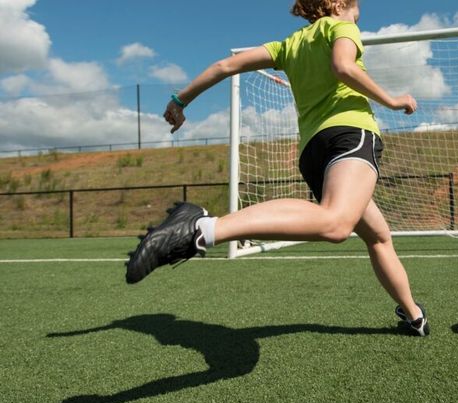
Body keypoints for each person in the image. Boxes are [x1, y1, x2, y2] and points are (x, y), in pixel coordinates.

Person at [125, 0, 429, 336]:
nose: (360, 11)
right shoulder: (342, 26)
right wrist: (393, 100)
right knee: (337, 224)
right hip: (350, 137)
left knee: (378, 237)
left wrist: (180, 100)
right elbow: (343, 66)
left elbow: (226, 65)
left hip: (314, 152)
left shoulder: (289, 45)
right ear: (340, 4)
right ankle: (201, 228)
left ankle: (414, 315)